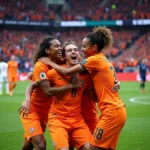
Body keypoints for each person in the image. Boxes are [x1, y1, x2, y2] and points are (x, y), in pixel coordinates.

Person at [40, 27, 127, 150]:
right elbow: (39, 83)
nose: (79, 50)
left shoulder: (91, 66)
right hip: (64, 119)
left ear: (94, 48)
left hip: (104, 113)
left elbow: (67, 71)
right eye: (70, 50)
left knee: (92, 148)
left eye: (82, 47)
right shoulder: (95, 63)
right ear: (64, 56)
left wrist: (49, 61)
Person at [19, 36, 80, 150]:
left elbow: (77, 60)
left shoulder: (59, 62)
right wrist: (71, 86)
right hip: (32, 111)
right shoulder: (40, 66)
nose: (60, 48)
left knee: (29, 145)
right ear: (47, 50)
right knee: (41, 145)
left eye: (60, 45)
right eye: (56, 46)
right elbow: (48, 91)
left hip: (45, 113)